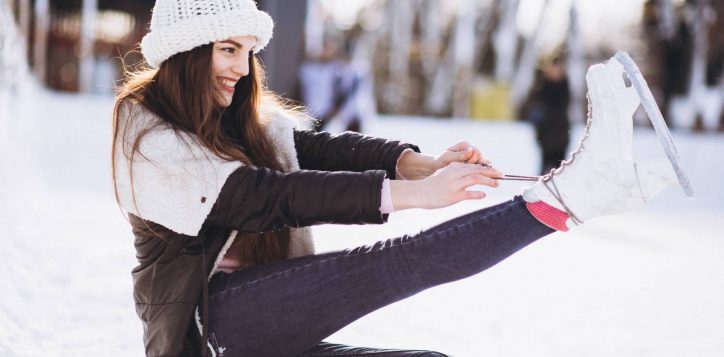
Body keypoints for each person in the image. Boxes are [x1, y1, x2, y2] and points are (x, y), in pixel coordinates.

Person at [111, 1, 682, 356]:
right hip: (206, 329)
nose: (242, 67)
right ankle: (570, 198)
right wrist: (412, 197)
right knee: (390, 262)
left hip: (263, 329)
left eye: (248, 52)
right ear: (186, 53)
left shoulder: (235, 122)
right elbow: (264, 199)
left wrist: (421, 165)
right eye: (227, 49)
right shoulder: (145, 140)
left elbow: (316, 149)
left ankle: (578, 194)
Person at [523, 54, 571, 175]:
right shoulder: (541, 85)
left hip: (561, 135)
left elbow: (563, 108)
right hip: (545, 134)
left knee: (560, 170)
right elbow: (534, 106)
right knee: (544, 168)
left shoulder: (564, 85)